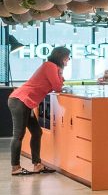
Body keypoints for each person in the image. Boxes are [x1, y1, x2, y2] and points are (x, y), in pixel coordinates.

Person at [9, 46, 70, 176]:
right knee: (18, 135)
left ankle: (37, 165)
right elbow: (58, 86)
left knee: (37, 132)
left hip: (26, 102)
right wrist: (60, 73)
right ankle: (15, 168)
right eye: (67, 57)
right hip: (20, 100)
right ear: (61, 57)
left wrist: (60, 72)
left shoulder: (53, 68)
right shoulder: (50, 66)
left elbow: (58, 84)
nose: (68, 60)